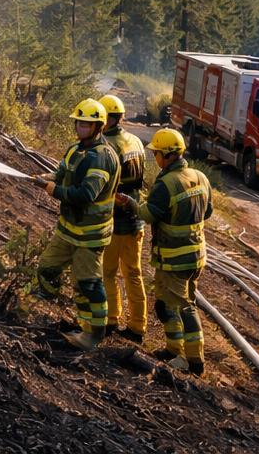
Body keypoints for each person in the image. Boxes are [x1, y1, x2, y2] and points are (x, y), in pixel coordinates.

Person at [32, 98, 119, 351]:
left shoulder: (102, 158)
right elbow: (60, 174)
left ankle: (94, 334)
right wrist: (43, 178)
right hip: (67, 228)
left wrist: (51, 189)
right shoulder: (75, 150)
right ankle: (55, 303)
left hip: (90, 234)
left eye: (86, 124)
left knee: (88, 285)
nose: (81, 127)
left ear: (98, 126)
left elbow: (85, 195)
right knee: (47, 268)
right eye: (79, 122)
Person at [131, 126, 212, 374]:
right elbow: (207, 212)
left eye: (156, 153)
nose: (155, 157)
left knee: (185, 306)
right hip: (196, 255)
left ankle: (194, 360)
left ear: (166, 155)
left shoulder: (166, 184)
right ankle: (173, 349)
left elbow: (147, 214)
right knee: (166, 303)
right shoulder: (200, 177)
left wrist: (133, 203)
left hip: (174, 259)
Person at [98, 94, 149, 340]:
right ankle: (138, 327)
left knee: (107, 272)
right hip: (136, 219)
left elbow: (104, 184)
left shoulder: (107, 146)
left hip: (116, 220)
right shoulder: (137, 142)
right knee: (134, 273)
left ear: (108, 119)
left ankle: (111, 320)